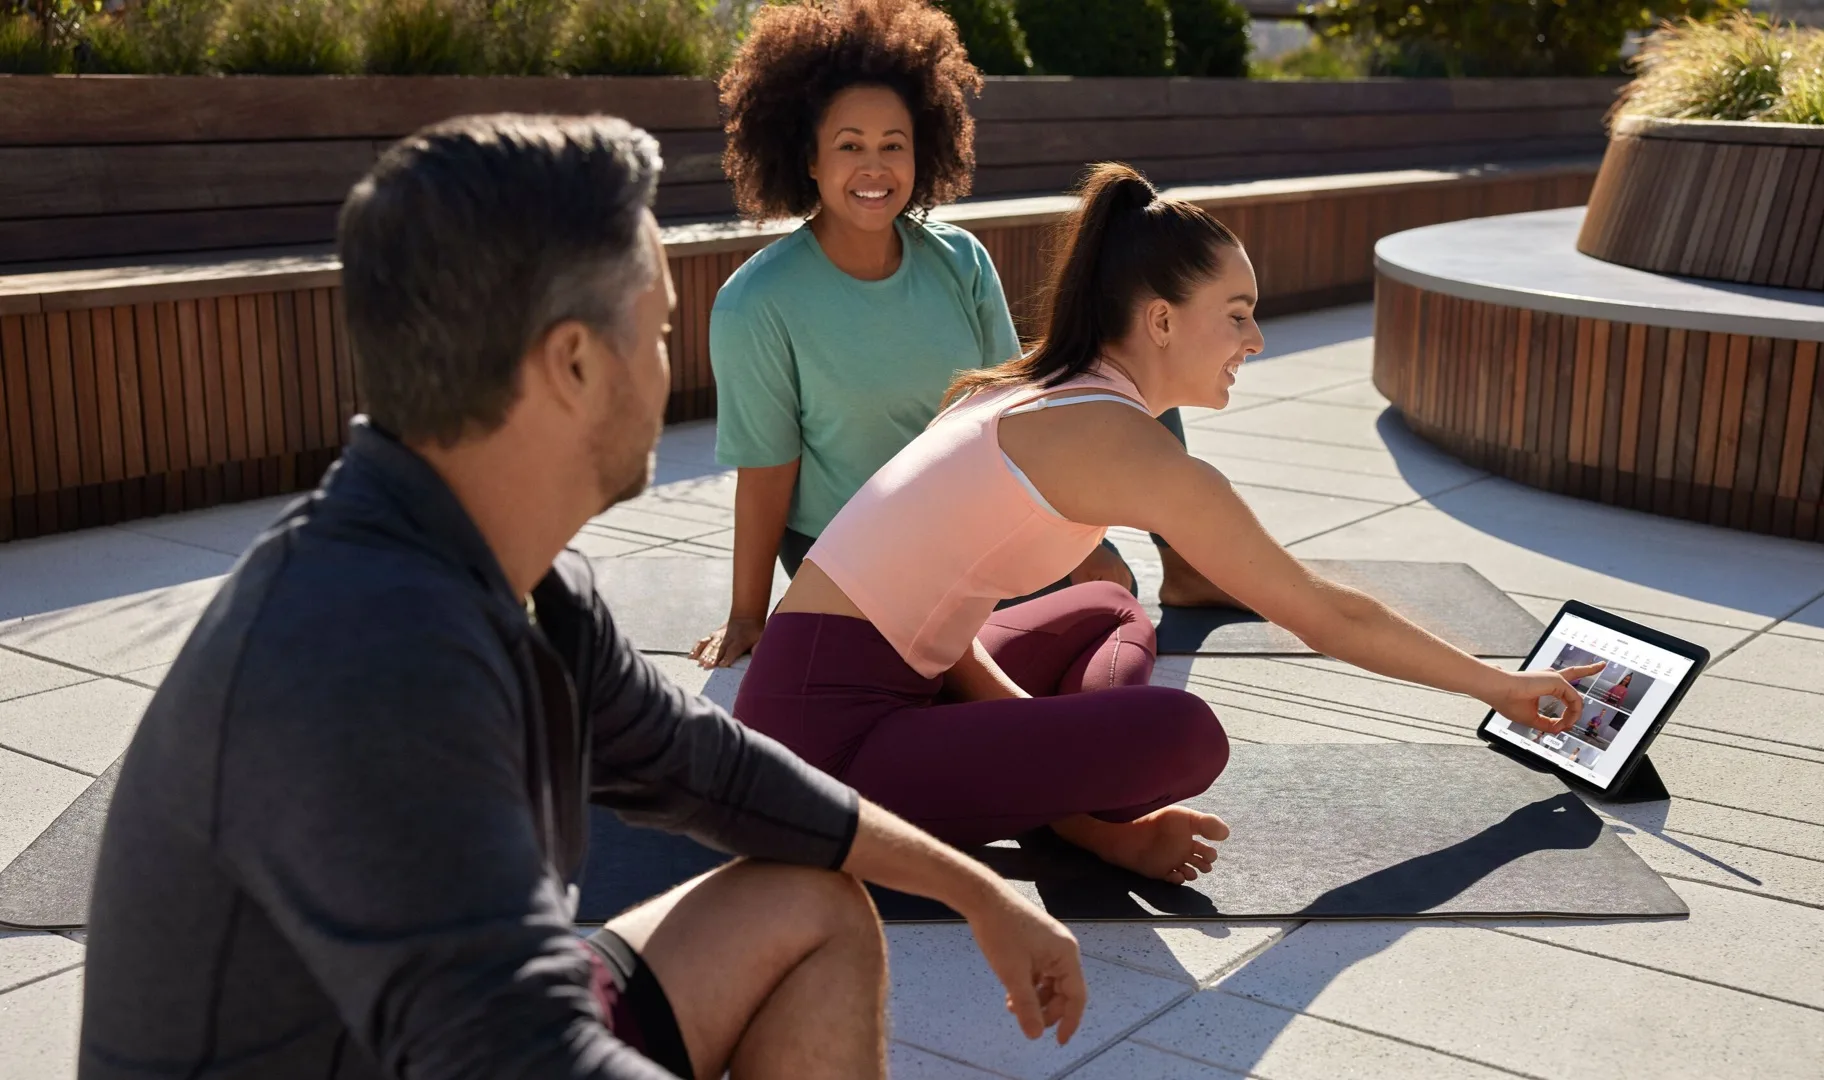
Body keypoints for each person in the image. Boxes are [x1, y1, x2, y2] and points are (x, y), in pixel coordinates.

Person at [78, 115, 1088, 1080]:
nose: (667, 367)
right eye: (655, 333)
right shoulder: (365, 655)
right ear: (571, 362)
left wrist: (979, 891)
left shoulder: (518, 576)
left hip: (445, 1039)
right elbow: (519, 1058)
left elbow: (705, 768)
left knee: (809, 905)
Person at [731, 164, 1605, 884]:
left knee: (1112, 607)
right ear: (1158, 320)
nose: (1256, 340)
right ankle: (1055, 794)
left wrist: (1048, 762)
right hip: (819, 753)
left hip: (877, 682)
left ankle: (1043, 787)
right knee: (1180, 735)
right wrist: (1502, 689)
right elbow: (1324, 615)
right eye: (1236, 315)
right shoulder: (1123, 445)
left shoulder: (1023, 392)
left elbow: (942, 624)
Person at [692, 0, 1235, 670]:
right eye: (849, 145)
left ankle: (1187, 565)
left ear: (923, 148)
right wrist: (748, 614)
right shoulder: (757, 303)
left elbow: (1016, 411)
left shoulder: (958, 259)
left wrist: (1074, 536)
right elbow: (768, 470)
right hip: (861, 551)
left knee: (1137, 353)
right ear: (808, 158)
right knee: (1096, 627)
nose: (875, 168)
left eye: (894, 145)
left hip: (977, 516)